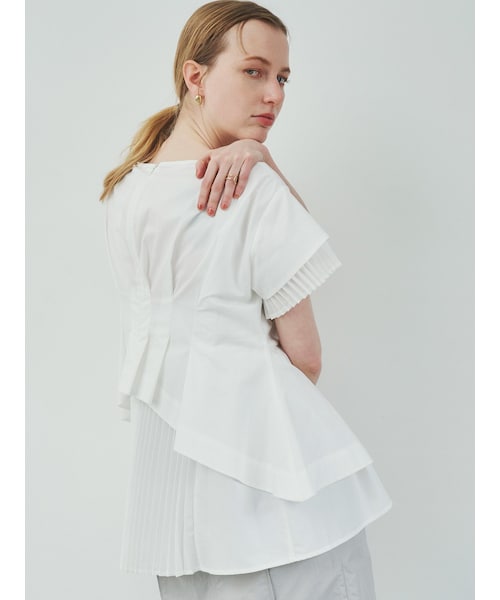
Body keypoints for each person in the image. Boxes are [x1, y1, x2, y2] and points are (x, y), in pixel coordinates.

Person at [100, 2, 392, 598]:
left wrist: (261, 156)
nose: (274, 95)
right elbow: (306, 358)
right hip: (279, 504)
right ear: (196, 76)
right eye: (254, 71)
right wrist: (263, 165)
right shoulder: (250, 189)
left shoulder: (125, 191)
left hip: (171, 512)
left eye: (282, 77)